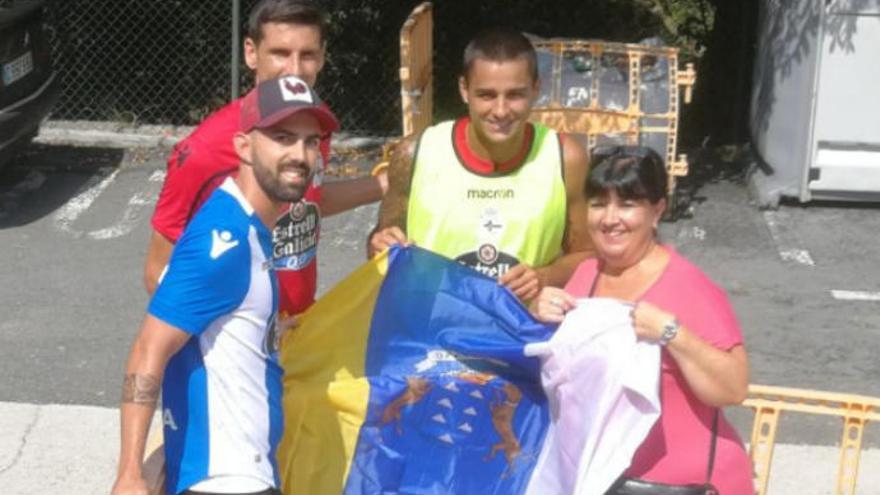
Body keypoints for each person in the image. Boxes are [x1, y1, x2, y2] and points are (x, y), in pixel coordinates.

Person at [111, 75, 336, 495]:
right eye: (282, 137)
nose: (300, 154)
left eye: (310, 141)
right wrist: (130, 474)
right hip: (226, 481)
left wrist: (267, 333)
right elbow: (148, 347)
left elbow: (221, 320)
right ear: (243, 146)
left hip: (243, 472)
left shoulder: (251, 227)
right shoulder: (224, 241)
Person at [530, 146, 754, 494]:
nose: (610, 218)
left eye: (627, 204)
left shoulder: (690, 287)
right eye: (598, 203)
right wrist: (540, 312)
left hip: (687, 485)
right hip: (604, 480)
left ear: (657, 211)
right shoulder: (585, 275)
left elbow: (733, 388)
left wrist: (671, 333)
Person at [146, 0, 387, 318]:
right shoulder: (204, 151)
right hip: (235, 350)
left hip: (299, 329)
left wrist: (384, 183)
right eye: (280, 53)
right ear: (250, 53)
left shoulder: (314, 126)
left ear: (323, 57)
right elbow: (158, 271)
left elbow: (309, 200)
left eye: (308, 55)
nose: (295, 69)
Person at [368, 27, 593, 301]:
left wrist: (544, 276)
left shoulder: (564, 158)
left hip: (519, 333)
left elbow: (588, 254)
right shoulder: (415, 153)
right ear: (464, 90)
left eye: (515, 95)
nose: (500, 110)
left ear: (536, 89)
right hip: (433, 333)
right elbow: (378, 246)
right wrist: (381, 244)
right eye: (486, 95)